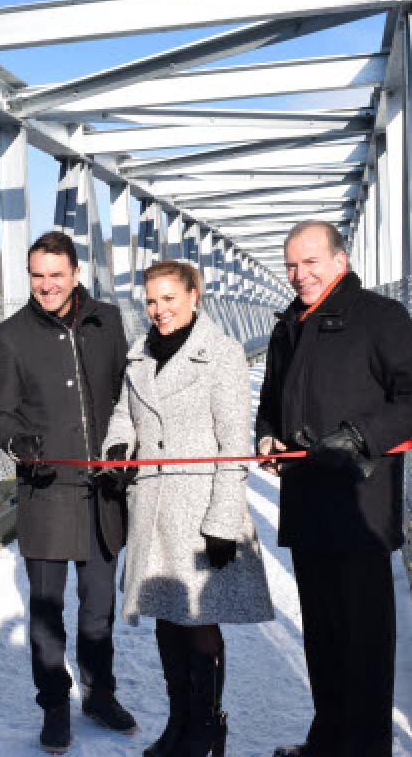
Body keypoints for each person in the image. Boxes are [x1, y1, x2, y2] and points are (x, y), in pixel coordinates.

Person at [255, 221, 412, 757]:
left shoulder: (379, 318)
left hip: (359, 509)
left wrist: (361, 438)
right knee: (323, 640)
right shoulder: (286, 326)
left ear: (341, 260)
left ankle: (364, 750)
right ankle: (328, 743)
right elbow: (271, 401)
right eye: (291, 264)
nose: (299, 275)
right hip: (308, 505)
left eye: (310, 262)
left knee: (363, 646)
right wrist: (267, 436)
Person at [100, 260, 274, 757]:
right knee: (167, 618)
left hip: (199, 513)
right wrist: (119, 445)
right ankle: (178, 724)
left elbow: (232, 443)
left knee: (198, 623)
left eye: (169, 299)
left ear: (194, 296)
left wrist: (222, 523)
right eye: (151, 301)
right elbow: (123, 414)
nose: (159, 310)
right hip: (153, 507)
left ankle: (208, 729)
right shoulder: (140, 354)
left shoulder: (220, 354)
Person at [0, 230, 136, 753]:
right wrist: (16, 441)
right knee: (47, 611)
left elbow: (126, 393)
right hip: (46, 493)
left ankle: (100, 694)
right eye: (37, 275)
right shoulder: (9, 337)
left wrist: (126, 449)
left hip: (102, 494)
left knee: (98, 607)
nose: (46, 285)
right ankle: (54, 703)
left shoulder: (108, 322)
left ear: (76, 274)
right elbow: (1, 413)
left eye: (56, 274)